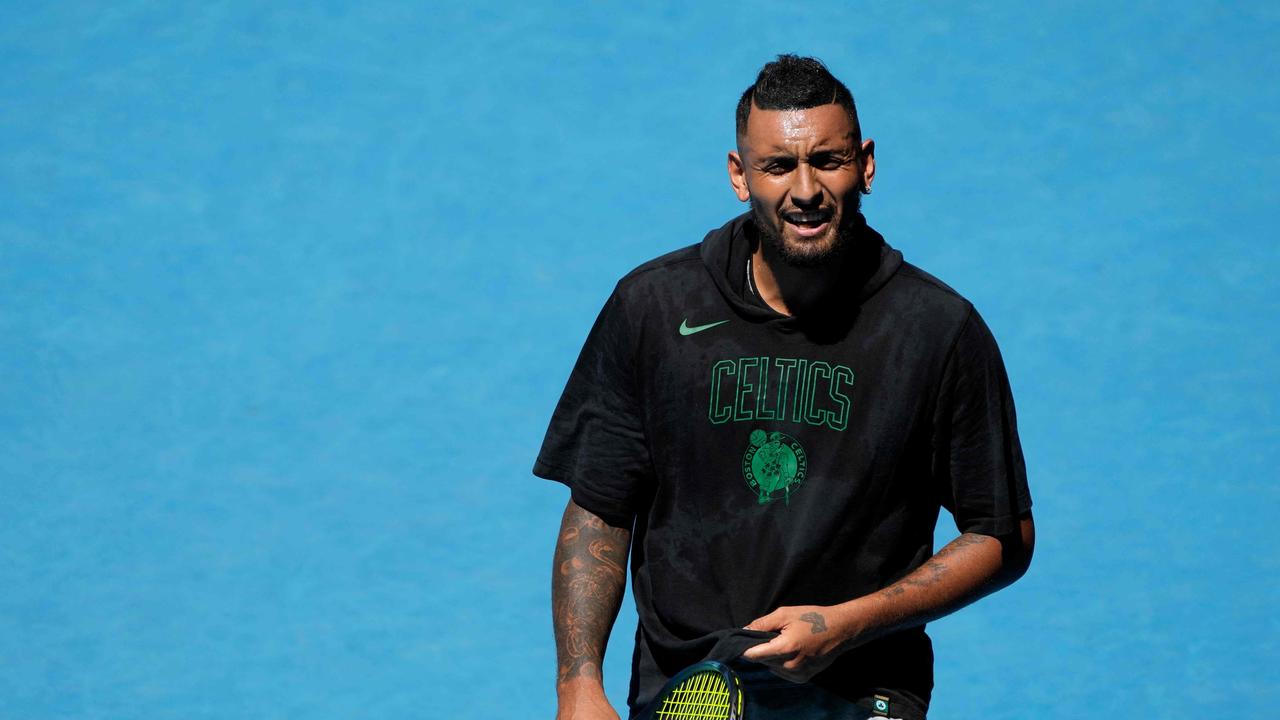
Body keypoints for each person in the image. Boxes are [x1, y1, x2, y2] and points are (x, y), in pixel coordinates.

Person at [534, 54, 1034, 720]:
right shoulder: (651, 309)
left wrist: (851, 622)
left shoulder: (937, 332)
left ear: (866, 164)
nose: (805, 190)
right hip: (689, 685)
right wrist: (578, 686)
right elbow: (600, 507)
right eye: (778, 166)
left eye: (827, 160)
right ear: (740, 176)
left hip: (861, 689)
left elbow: (1002, 534)